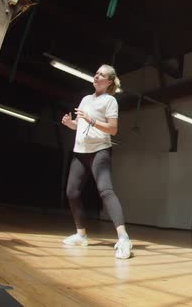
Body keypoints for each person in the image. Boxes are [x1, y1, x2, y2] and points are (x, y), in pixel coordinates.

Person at [61, 64, 132, 259]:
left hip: (100, 150)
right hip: (80, 151)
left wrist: (92, 120)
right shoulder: (85, 99)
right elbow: (80, 125)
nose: (96, 75)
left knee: (105, 190)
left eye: (101, 74)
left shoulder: (110, 101)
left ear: (109, 82)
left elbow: (113, 129)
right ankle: (81, 234)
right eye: (96, 72)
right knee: (71, 192)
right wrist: (71, 124)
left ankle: (124, 238)